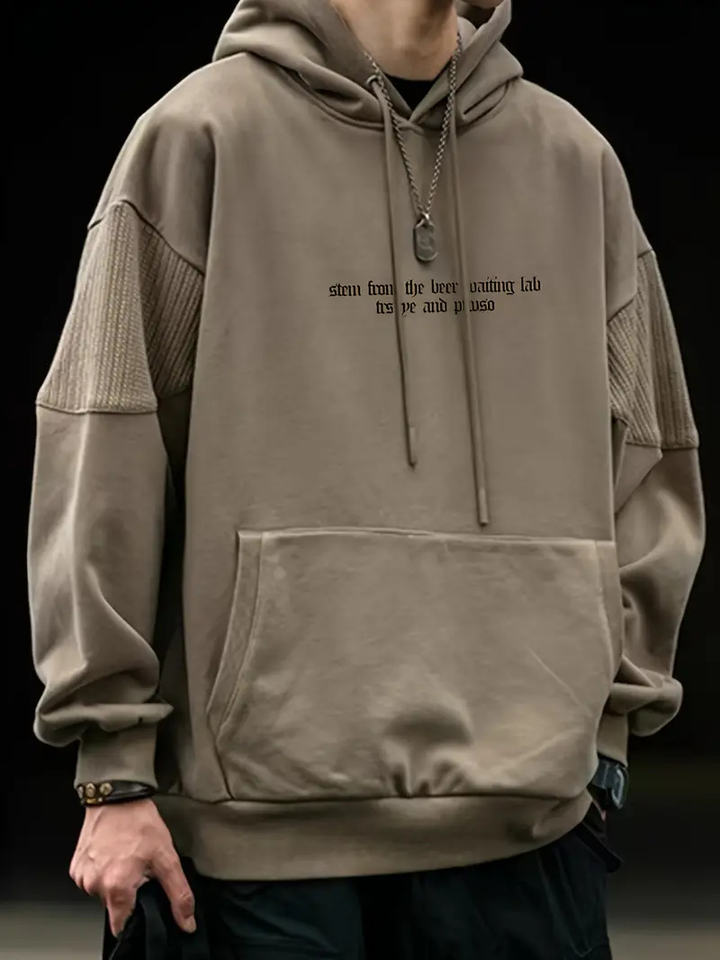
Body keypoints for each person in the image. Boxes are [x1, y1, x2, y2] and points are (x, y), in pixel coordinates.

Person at [26, 0, 706, 957]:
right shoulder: (198, 138)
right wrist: (113, 770)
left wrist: (608, 734)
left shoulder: (573, 160)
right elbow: (105, 451)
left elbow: (654, 453)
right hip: (251, 846)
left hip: (528, 829)